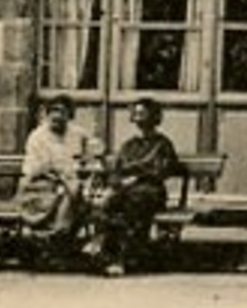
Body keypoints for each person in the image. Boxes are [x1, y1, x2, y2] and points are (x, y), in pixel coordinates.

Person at [97, 97, 182, 277]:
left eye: (142, 114)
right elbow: (117, 169)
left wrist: (136, 178)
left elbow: (163, 170)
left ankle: (126, 258)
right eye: (135, 114)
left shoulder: (162, 144)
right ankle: (107, 256)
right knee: (111, 203)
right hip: (126, 189)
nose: (138, 118)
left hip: (151, 190)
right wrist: (115, 184)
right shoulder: (129, 145)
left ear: (153, 117)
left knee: (134, 202)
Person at [17, 95, 95, 254]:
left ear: (69, 115)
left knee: (75, 191)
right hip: (40, 186)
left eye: (61, 112)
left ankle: (59, 238)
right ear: (46, 114)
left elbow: (89, 160)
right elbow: (31, 169)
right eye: (52, 111)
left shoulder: (79, 134)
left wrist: (79, 169)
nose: (56, 116)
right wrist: (55, 172)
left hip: (70, 183)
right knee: (71, 193)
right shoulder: (37, 137)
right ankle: (59, 237)